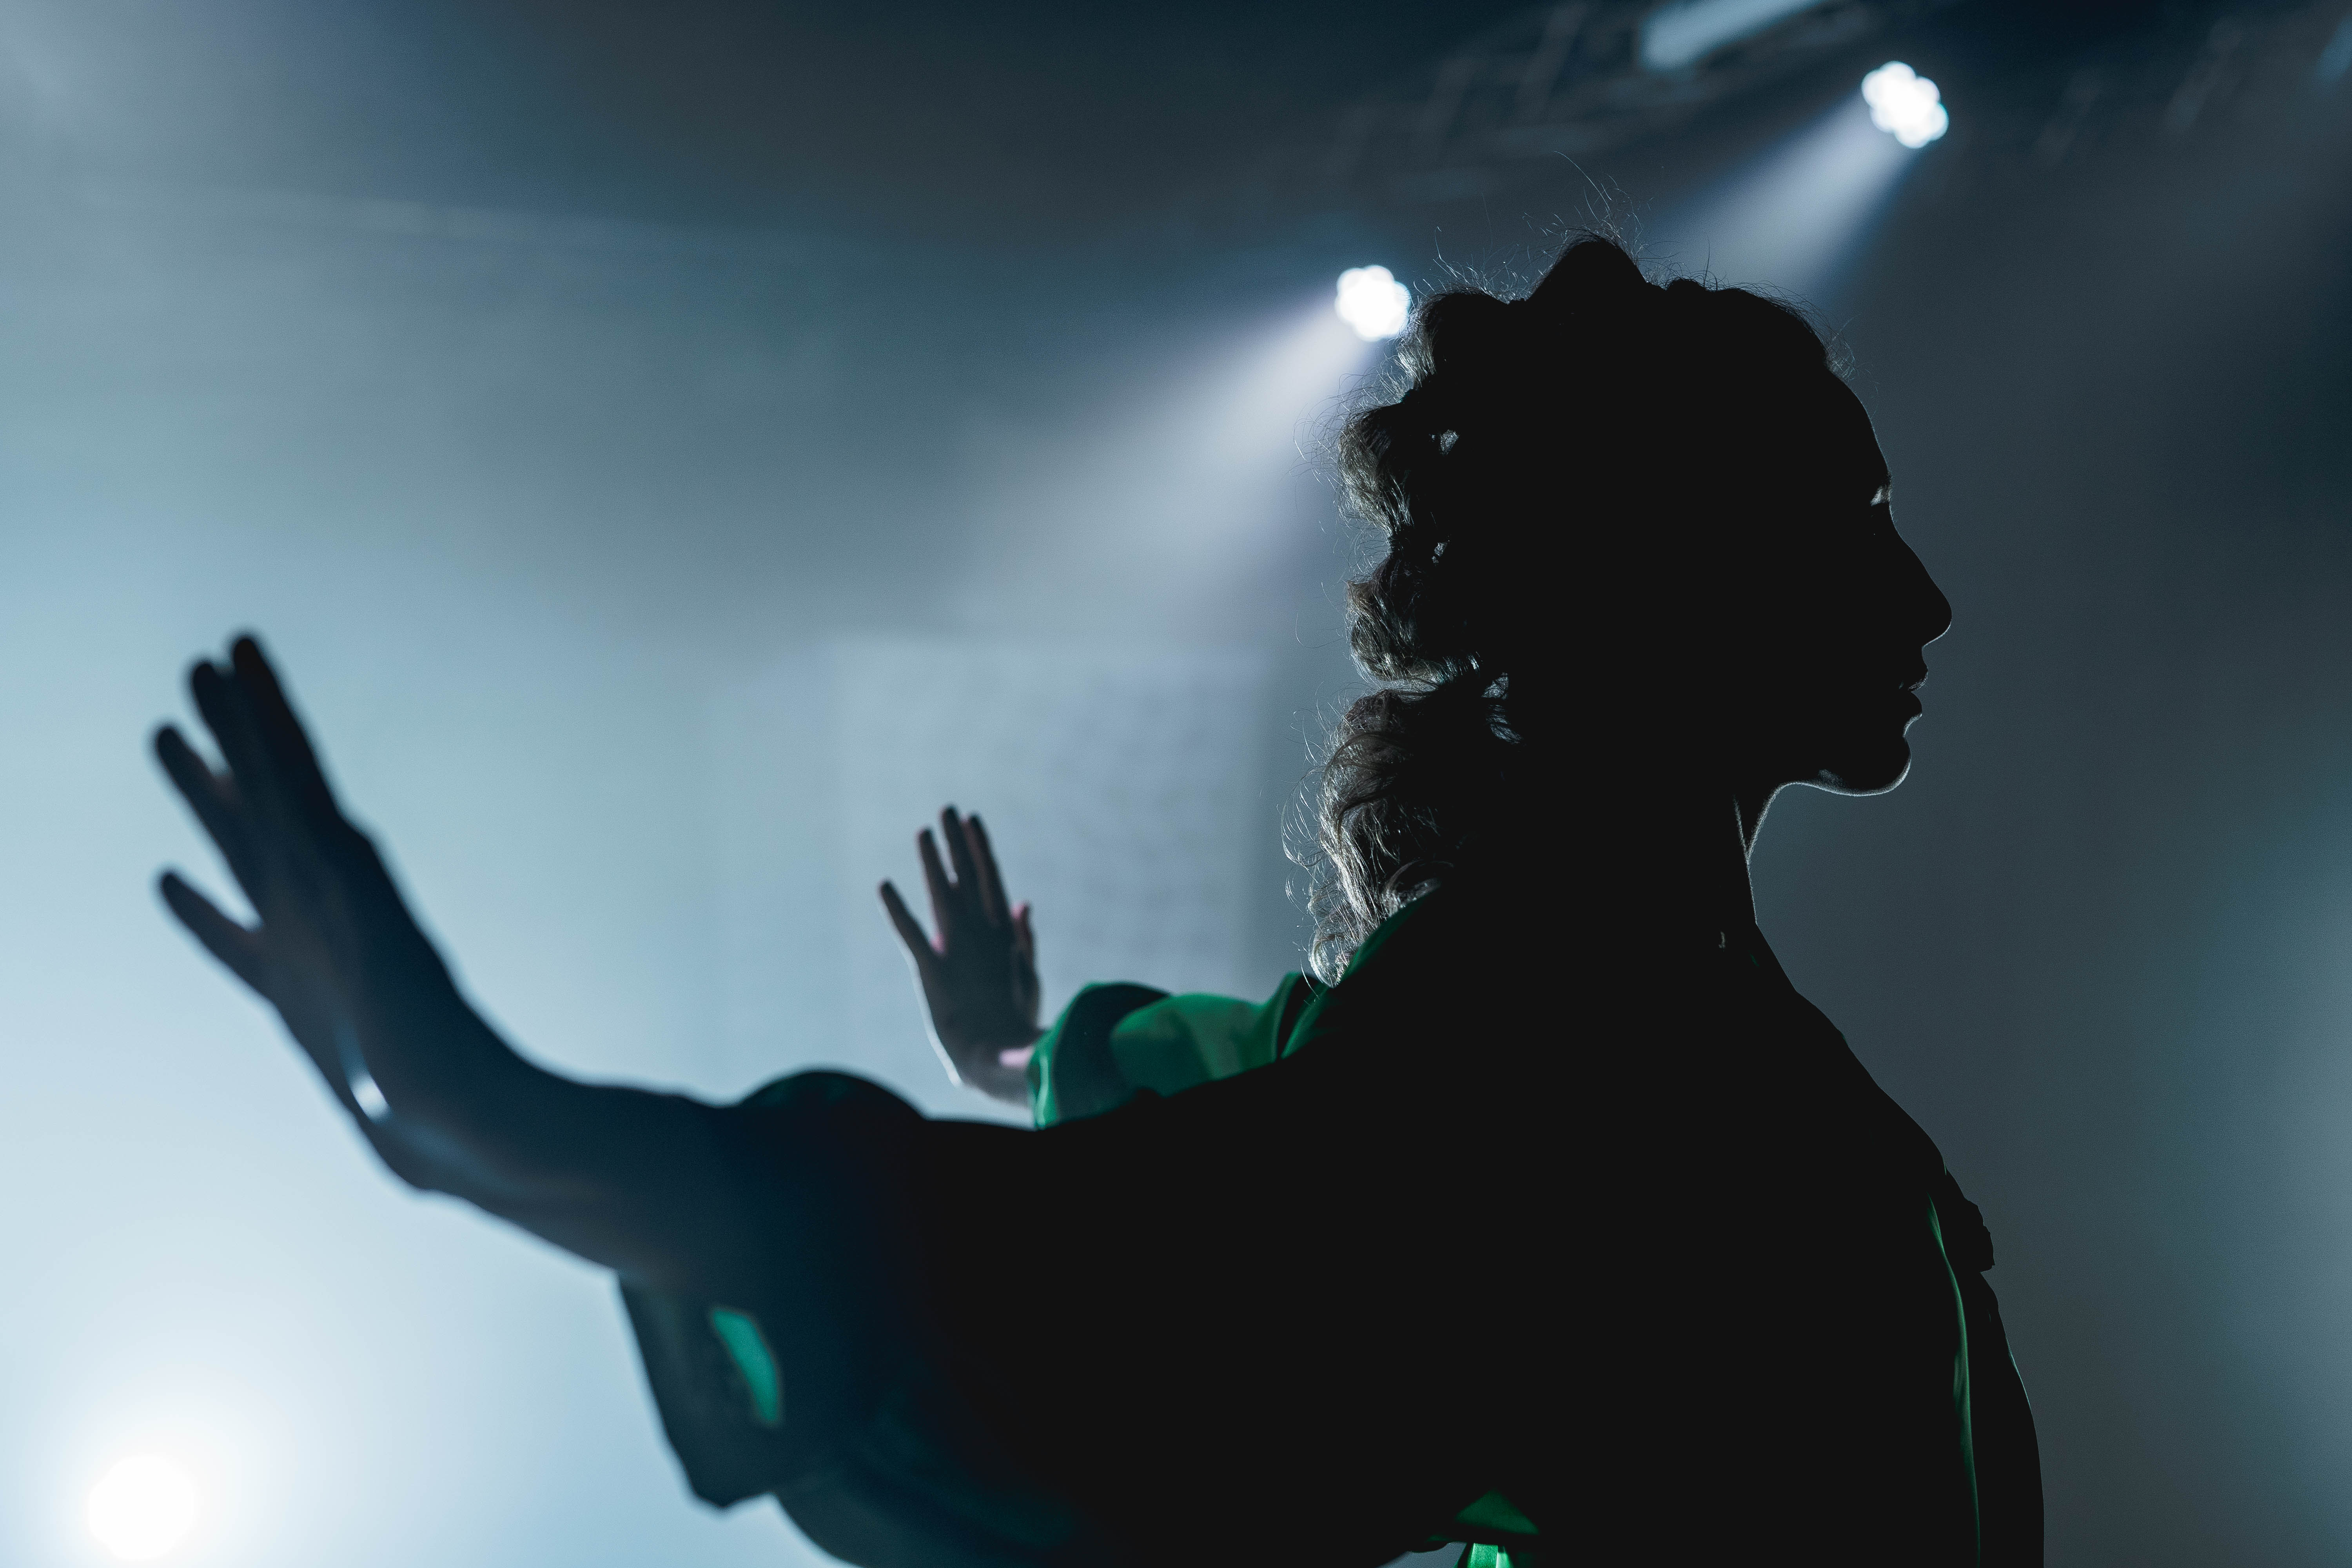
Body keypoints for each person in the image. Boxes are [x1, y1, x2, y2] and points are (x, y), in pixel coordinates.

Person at [152, 235, 2038, 1568]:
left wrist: (1015, 1047)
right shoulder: (1567, 1023)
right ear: (1678, 577)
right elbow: (1077, 1268)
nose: (1928, 602)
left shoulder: (1626, 1000)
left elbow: (1258, 1126)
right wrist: (496, 1111)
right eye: (1851, 528)